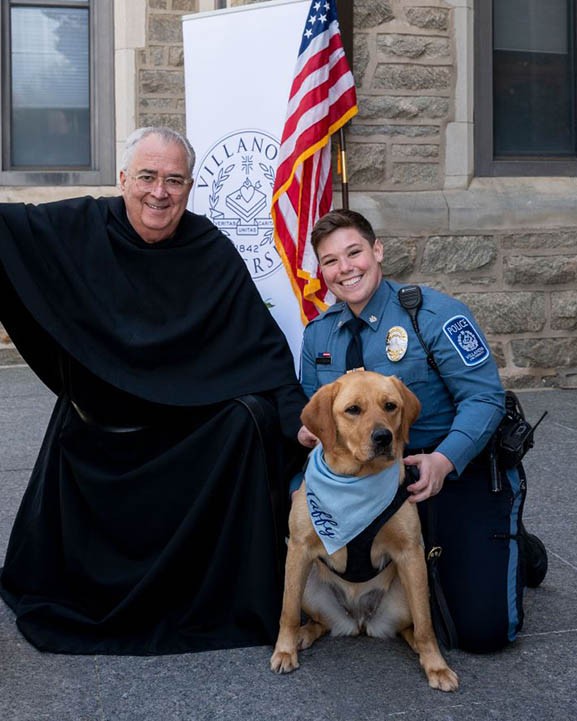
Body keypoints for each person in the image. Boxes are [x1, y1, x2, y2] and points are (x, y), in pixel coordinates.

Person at [0, 127, 308, 655]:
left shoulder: (210, 248)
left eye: (173, 180)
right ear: (123, 179)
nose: (158, 192)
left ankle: (216, 590)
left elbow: (260, 349)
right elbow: (9, 230)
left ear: (189, 188)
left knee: (251, 416)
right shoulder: (80, 225)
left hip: (184, 436)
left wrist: (299, 420)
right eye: (146, 177)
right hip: (102, 431)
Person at [297, 208, 547, 654]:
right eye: (330, 261)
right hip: (363, 481)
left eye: (354, 252)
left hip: (442, 471)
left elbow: (485, 398)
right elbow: (318, 419)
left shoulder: (430, 314)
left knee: (480, 633)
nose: (345, 268)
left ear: (377, 251)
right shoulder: (319, 334)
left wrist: (444, 460)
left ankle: (514, 545)